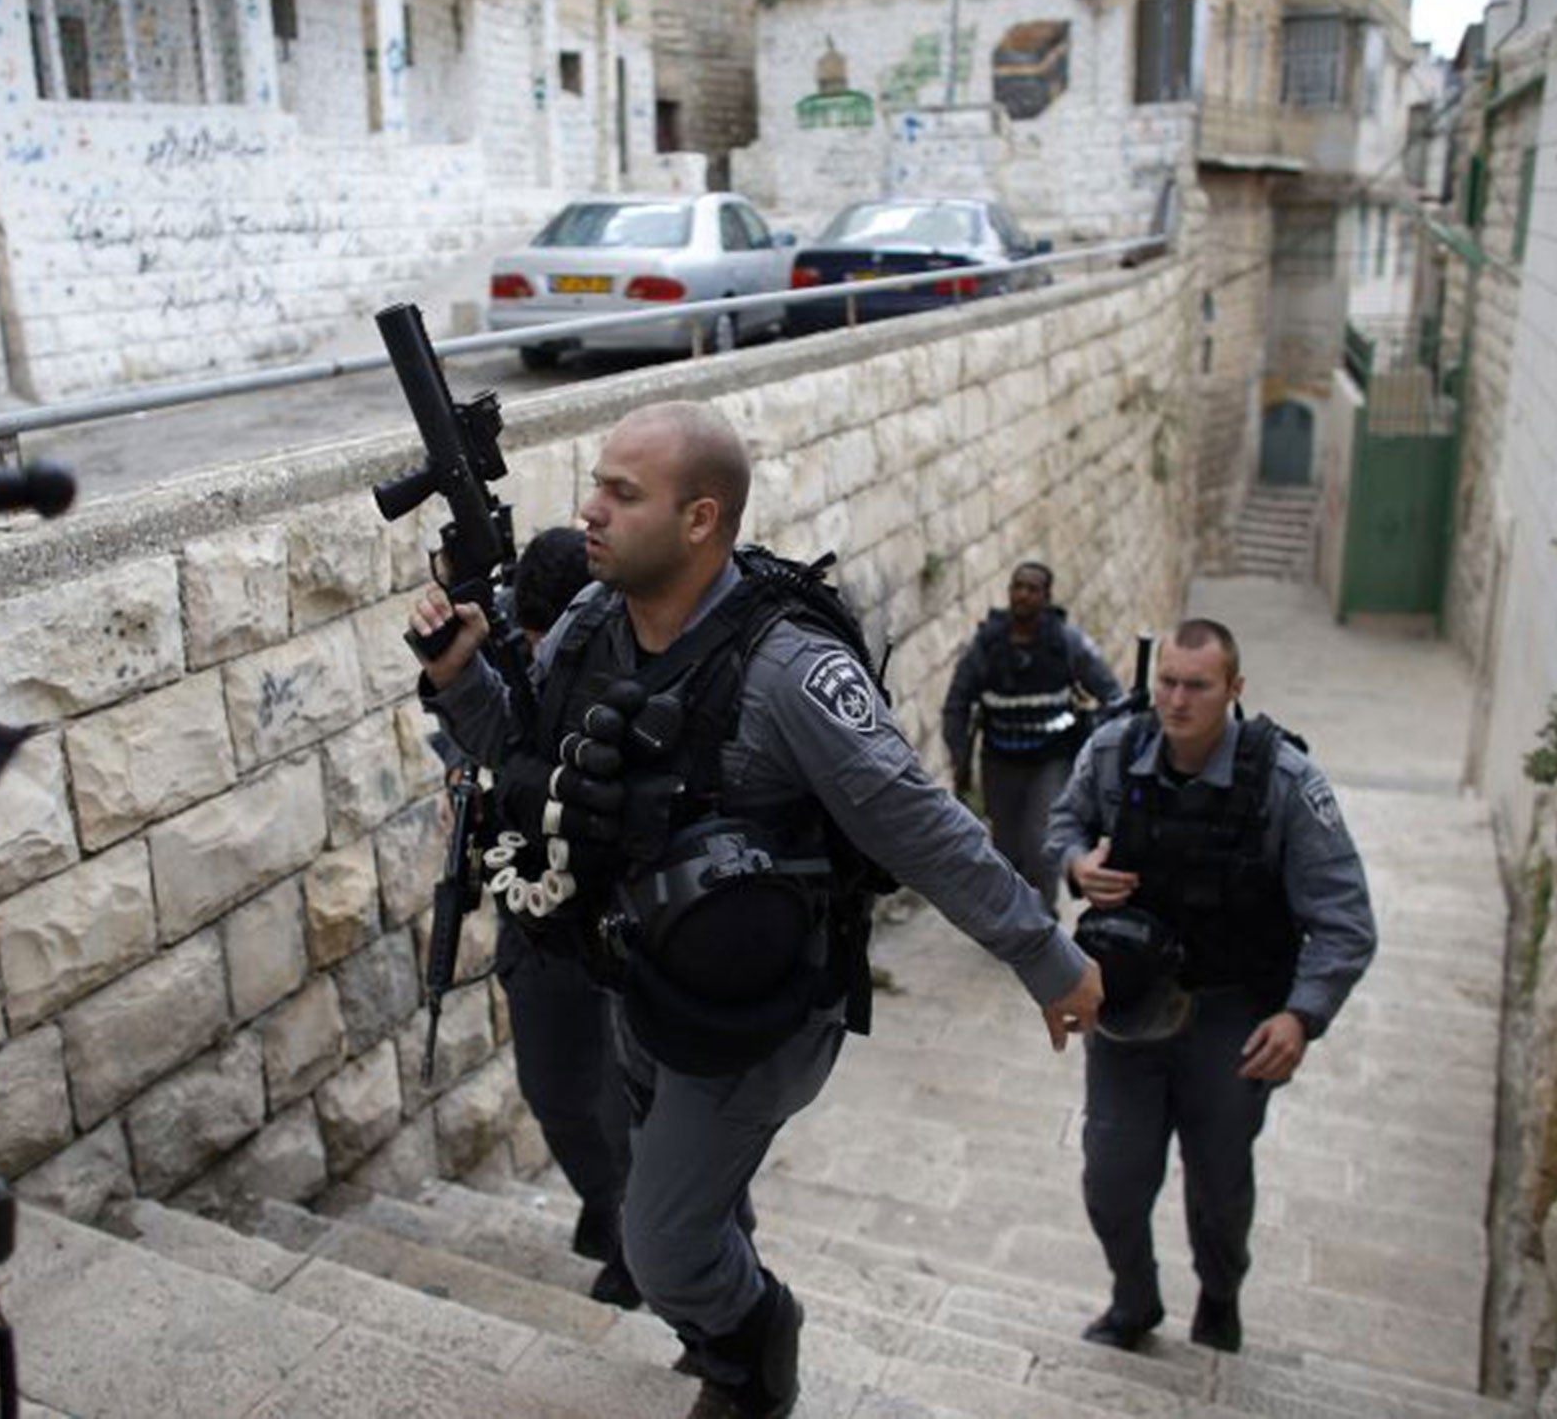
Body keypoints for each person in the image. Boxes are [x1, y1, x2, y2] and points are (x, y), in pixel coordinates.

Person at [408, 401, 1103, 1417]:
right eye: (595, 485)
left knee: (660, 1242)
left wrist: (1046, 958)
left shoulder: (788, 673)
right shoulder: (595, 626)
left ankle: (753, 1349)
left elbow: (919, 823)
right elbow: (518, 759)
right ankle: (716, 1313)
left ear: (699, 520)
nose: (587, 511)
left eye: (620, 493)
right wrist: (459, 674)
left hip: (757, 1007)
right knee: (685, 1188)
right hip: (642, 974)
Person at [1044, 619, 1376, 1355]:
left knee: (1220, 1189)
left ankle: (1220, 1298)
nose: (1178, 700)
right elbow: (1061, 824)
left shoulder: (1284, 781)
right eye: (1167, 681)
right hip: (1129, 1011)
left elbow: (1347, 921)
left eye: (1198, 685)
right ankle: (1133, 1302)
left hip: (1231, 1018)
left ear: (1234, 689)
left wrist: (1301, 1017)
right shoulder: (1114, 752)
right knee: (1112, 1176)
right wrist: (1075, 865)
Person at [488, 526, 637, 1308]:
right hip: (538, 912)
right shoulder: (513, 661)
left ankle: (669, 1249)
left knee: (644, 1098)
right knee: (555, 1089)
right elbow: (472, 737)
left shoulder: (631, 660)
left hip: (624, 916)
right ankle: (613, 1212)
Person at [942, 561, 1122, 914]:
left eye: (1031, 588)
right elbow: (956, 704)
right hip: (999, 760)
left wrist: (1099, 744)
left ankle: (1043, 918)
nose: (1022, 594)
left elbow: (1112, 694)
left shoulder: (1067, 643)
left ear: (1047, 596)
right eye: (1017, 586)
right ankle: (1015, 919)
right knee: (1007, 850)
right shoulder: (986, 644)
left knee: (1041, 843)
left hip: (1051, 760)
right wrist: (959, 756)